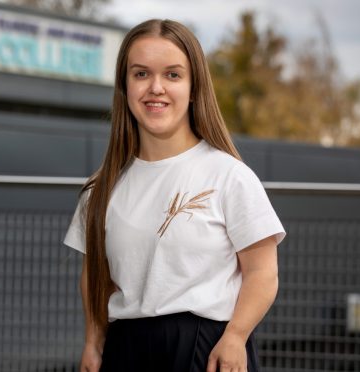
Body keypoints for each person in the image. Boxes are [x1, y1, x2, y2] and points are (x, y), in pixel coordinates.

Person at [63, 19, 286, 372]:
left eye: (172, 75)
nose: (155, 88)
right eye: (140, 74)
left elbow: (262, 272)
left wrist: (235, 337)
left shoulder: (229, 176)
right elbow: (95, 278)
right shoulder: (100, 190)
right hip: (126, 349)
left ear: (194, 87)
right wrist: (93, 341)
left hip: (207, 350)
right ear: (124, 86)